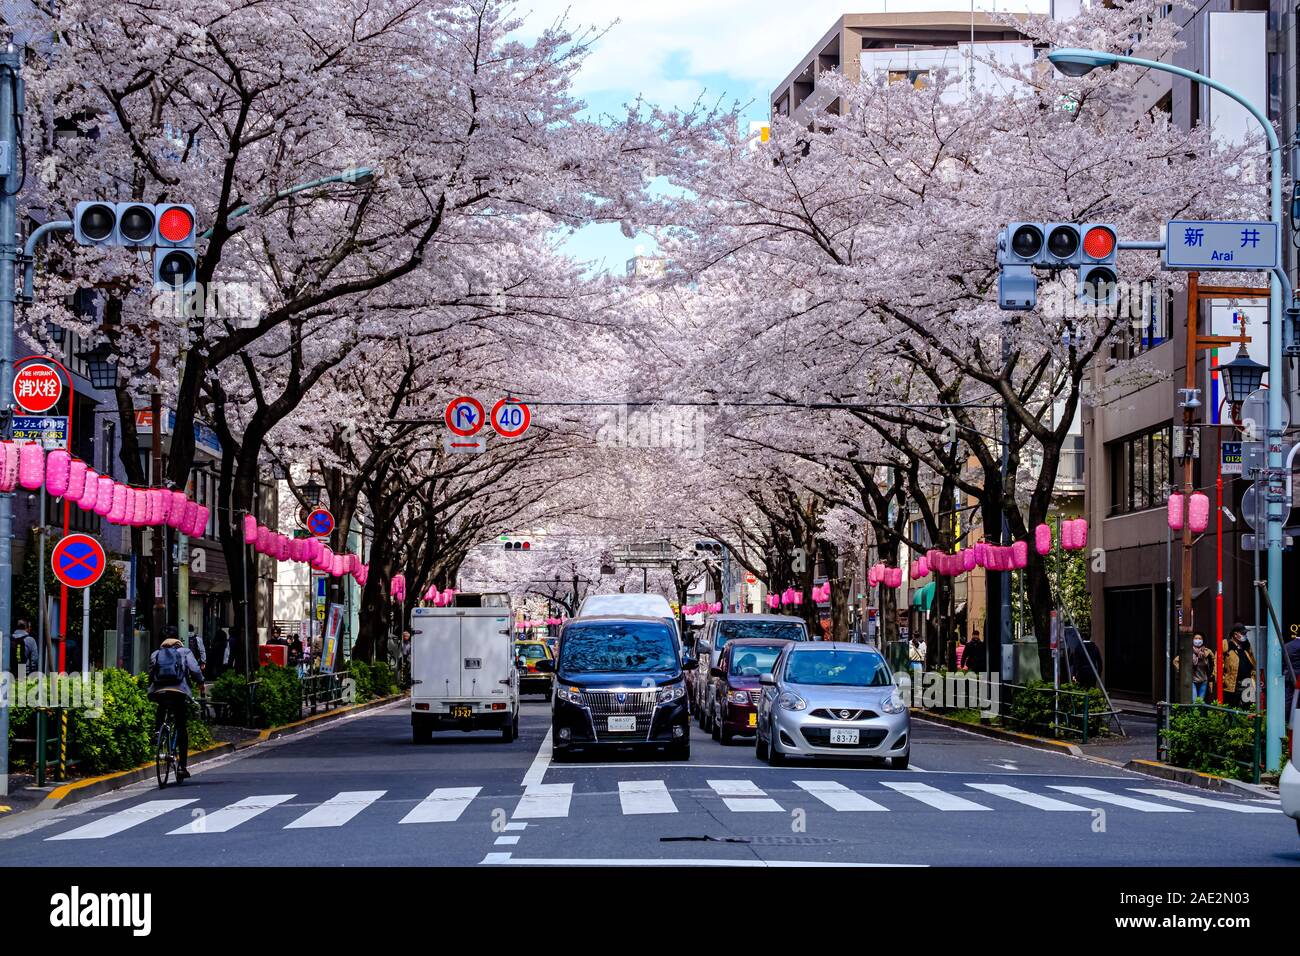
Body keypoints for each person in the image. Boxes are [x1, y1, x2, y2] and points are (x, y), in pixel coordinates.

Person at [147, 626, 205, 780]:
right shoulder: (184, 652)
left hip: (160, 692)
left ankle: (158, 732)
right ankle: (182, 767)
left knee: (161, 706)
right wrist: (200, 683)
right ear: (177, 638)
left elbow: (151, 675)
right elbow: (195, 671)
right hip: (179, 692)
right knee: (181, 727)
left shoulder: (156, 654)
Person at [1221, 624, 1256, 709]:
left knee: (1248, 708)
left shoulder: (1246, 645)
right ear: (1235, 634)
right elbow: (1218, 661)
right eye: (1242, 633)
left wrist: (1254, 677)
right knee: (1231, 708)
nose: (1245, 636)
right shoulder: (1226, 644)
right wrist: (1222, 679)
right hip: (1232, 683)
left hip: (1247, 682)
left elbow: (1253, 662)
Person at [1173, 632, 1215, 703]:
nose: (1198, 640)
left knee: (1201, 702)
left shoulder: (1207, 652)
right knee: (1195, 701)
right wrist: (1182, 672)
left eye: (1200, 638)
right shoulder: (1188, 651)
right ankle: (1194, 714)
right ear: (1192, 640)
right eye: (1196, 638)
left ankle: (1199, 714)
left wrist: (1213, 674)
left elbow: (1214, 662)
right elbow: (1176, 661)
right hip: (1192, 680)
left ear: (1203, 640)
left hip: (1203, 680)